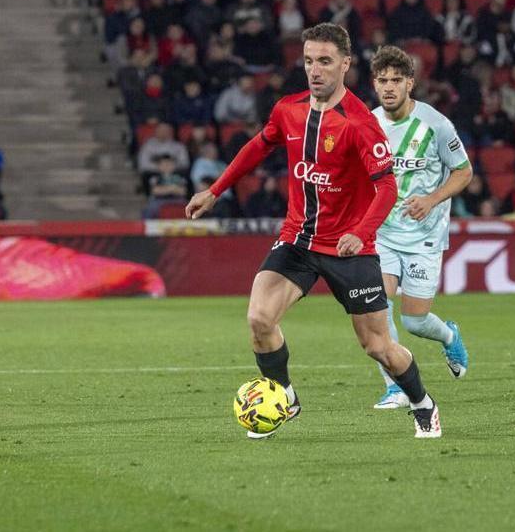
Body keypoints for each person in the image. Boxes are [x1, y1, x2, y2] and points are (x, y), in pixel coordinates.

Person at [185, 23, 441, 439]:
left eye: (324, 61)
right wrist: (216, 190)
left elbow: (387, 187)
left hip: (349, 248)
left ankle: (422, 404)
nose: (315, 70)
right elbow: (258, 145)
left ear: (345, 64)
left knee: (378, 347)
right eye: (308, 61)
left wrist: (362, 231)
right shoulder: (289, 108)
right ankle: (285, 397)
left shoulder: (359, 123)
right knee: (259, 319)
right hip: (299, 239)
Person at [367, 45, 472, 410]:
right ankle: (396, 387)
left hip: (425, 235)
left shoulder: (436, 124)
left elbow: (464, 172)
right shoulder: (369, 124)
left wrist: (431, 200)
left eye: (396, 80)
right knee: (377, 309)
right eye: (383, 81)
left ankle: (448, 336)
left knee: (414, 320)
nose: (389, 87)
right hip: (382, 233)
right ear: (375, 84)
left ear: (410, 83)